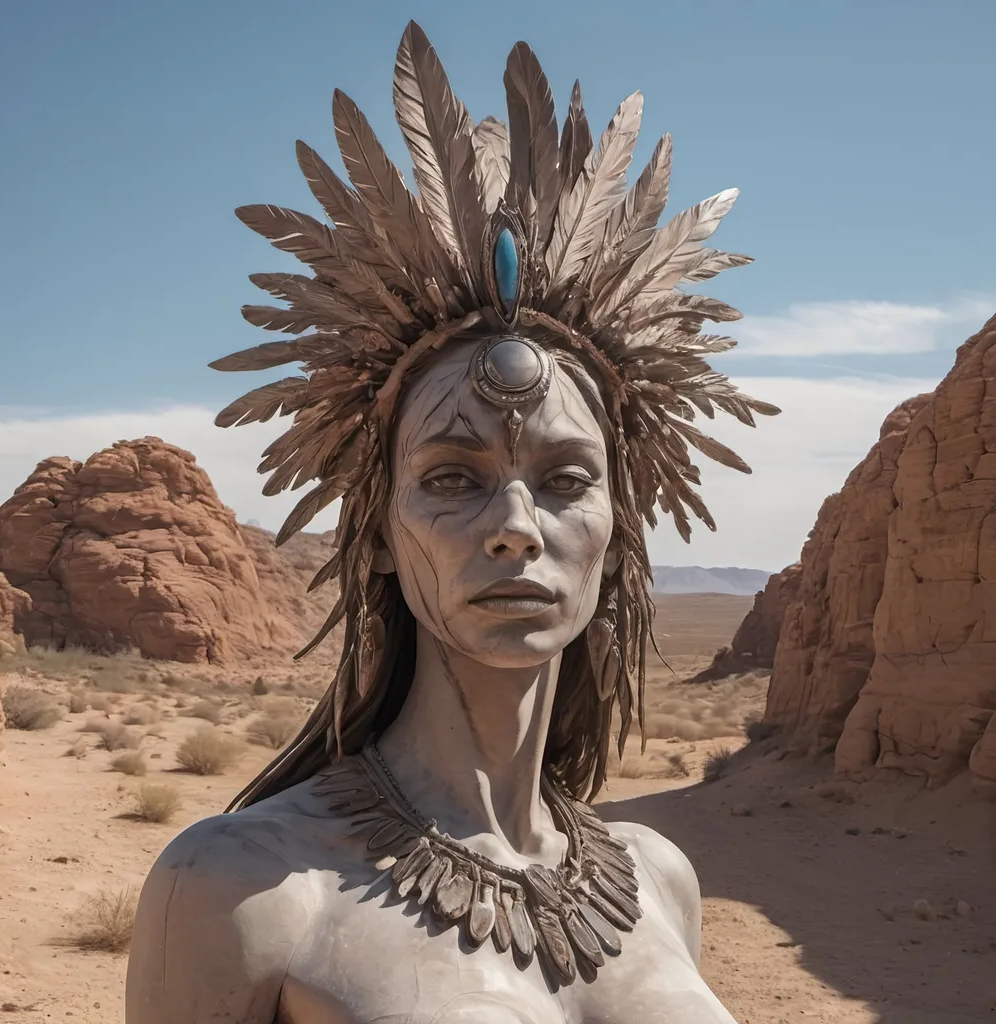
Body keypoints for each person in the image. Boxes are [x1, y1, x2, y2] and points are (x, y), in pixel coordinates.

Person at [126, 20, 777, 1023]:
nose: (514, 524)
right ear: (382, 532)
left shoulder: (661, 881)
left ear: (618, 531)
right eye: (451, 476)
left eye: (565, 477)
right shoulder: (241, 889)